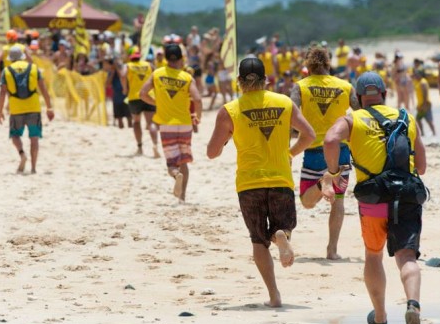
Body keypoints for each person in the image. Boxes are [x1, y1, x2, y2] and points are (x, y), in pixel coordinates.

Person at [323, 72, 426, 324]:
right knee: (407, 258)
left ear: (358, 98)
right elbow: (423, 167)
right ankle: (413, 305)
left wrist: (334, 171)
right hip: (406, 197)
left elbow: (331, 140)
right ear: (384, 95)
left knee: (373, 255)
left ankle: (380, 318)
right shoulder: (406, 118)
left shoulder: (353, 118)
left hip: (374, 201)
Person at [207, 57, 315, 307]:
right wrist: (290, 153)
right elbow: (309, 134)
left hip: (249, 184)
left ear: (239, 82)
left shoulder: (230, 110)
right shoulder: (284, 102)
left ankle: (274, 296)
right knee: (282, 227)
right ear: (267, 80)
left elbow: (212, 153)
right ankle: (282, 235)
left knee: (258, 241)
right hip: (280, 178)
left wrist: (225, 140)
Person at [290, 46, 359, 259]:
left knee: (306, 202)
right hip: (340, 150)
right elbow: (361, 113)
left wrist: (290, 142)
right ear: (328, 64)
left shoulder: (300, 87)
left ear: (308, 67)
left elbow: (289, 114)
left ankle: (321, 183)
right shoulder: (346, 86)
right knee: (338, 201)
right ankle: (332, 250)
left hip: (313, 151)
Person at [140, 43, 202, 202]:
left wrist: (157, 103)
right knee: (184, 161)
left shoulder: (157, 73)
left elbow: (142, 94)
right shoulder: (187, 77)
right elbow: (198, 99)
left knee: (172, 164)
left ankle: (175, 175)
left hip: (166, 124)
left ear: (166, 58)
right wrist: (198, 116)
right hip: (185, 123)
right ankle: (182, 197)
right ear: (181, 58)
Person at [0, 46, 55, 174]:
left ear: (11, 59)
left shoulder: (6, 71)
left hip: (16, 108)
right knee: (34, 138)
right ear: (23, 57)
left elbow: (2, 93)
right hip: (33, 107)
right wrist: (49, 107)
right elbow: (44, 89)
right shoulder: (33, 68)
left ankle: (22, 154)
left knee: (15, 135)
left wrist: (0, 111)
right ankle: (34, 168)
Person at [121, 50, 159, 157]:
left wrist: (125, 88)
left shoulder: (128, 66)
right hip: (149, 96)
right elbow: (157, 75)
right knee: (151, 123)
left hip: (134, 96)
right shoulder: (149, 65)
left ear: (130, 57)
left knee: (136, 122)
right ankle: (155, 145)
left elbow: (123, 75)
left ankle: (140, 147)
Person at [412, 71, 436, 137]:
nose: (415, 76)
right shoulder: (418, 81)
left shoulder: (423, 82)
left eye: (416, 75)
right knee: (418, 119)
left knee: (428, 120)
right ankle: (423, 133)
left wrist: (424, 105)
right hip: (421, 105)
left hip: (425, 105)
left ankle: (434, 134)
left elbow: (425, 94)